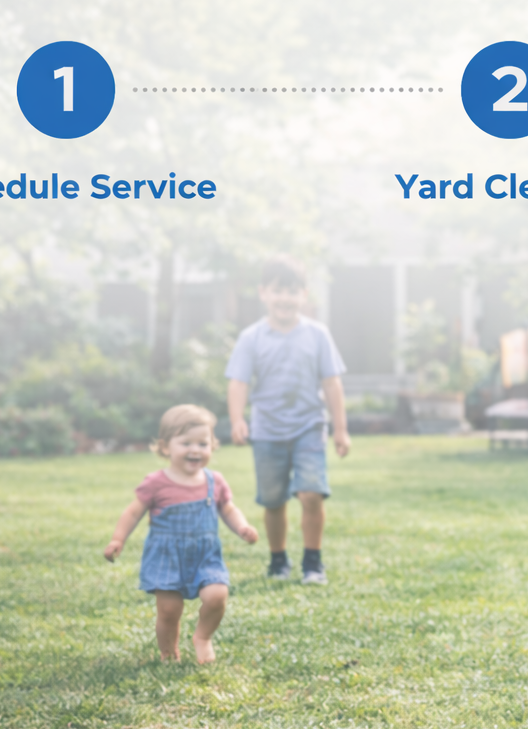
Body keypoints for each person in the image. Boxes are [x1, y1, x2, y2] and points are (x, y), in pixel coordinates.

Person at [225, 257, 351, 585]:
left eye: (292, 291)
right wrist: (238, 419)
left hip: (309, 426)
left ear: (304, 295)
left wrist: (340, 429)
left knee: (311, 493)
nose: (285, 298)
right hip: (267, 430)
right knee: (274, 500)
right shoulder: (251, 337)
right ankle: (278, 560)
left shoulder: (318, 334)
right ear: (263, 293)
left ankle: (313, 562)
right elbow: (239, 382)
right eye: (278, 290)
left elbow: (332, 383)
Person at [104, 405, 259, 663]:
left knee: (217, 595)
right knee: (168, 610)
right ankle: (168, 653)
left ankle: (203, 637)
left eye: (203, 443)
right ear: (165, 447)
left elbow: (228, 509)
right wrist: (118, 539)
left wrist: (242, 527)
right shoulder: (156, 482)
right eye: (186, 442)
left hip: (205, 554)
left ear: (212, 446)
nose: (195, 449)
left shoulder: (214, 481)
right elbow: (133, 513)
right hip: (167, 557)